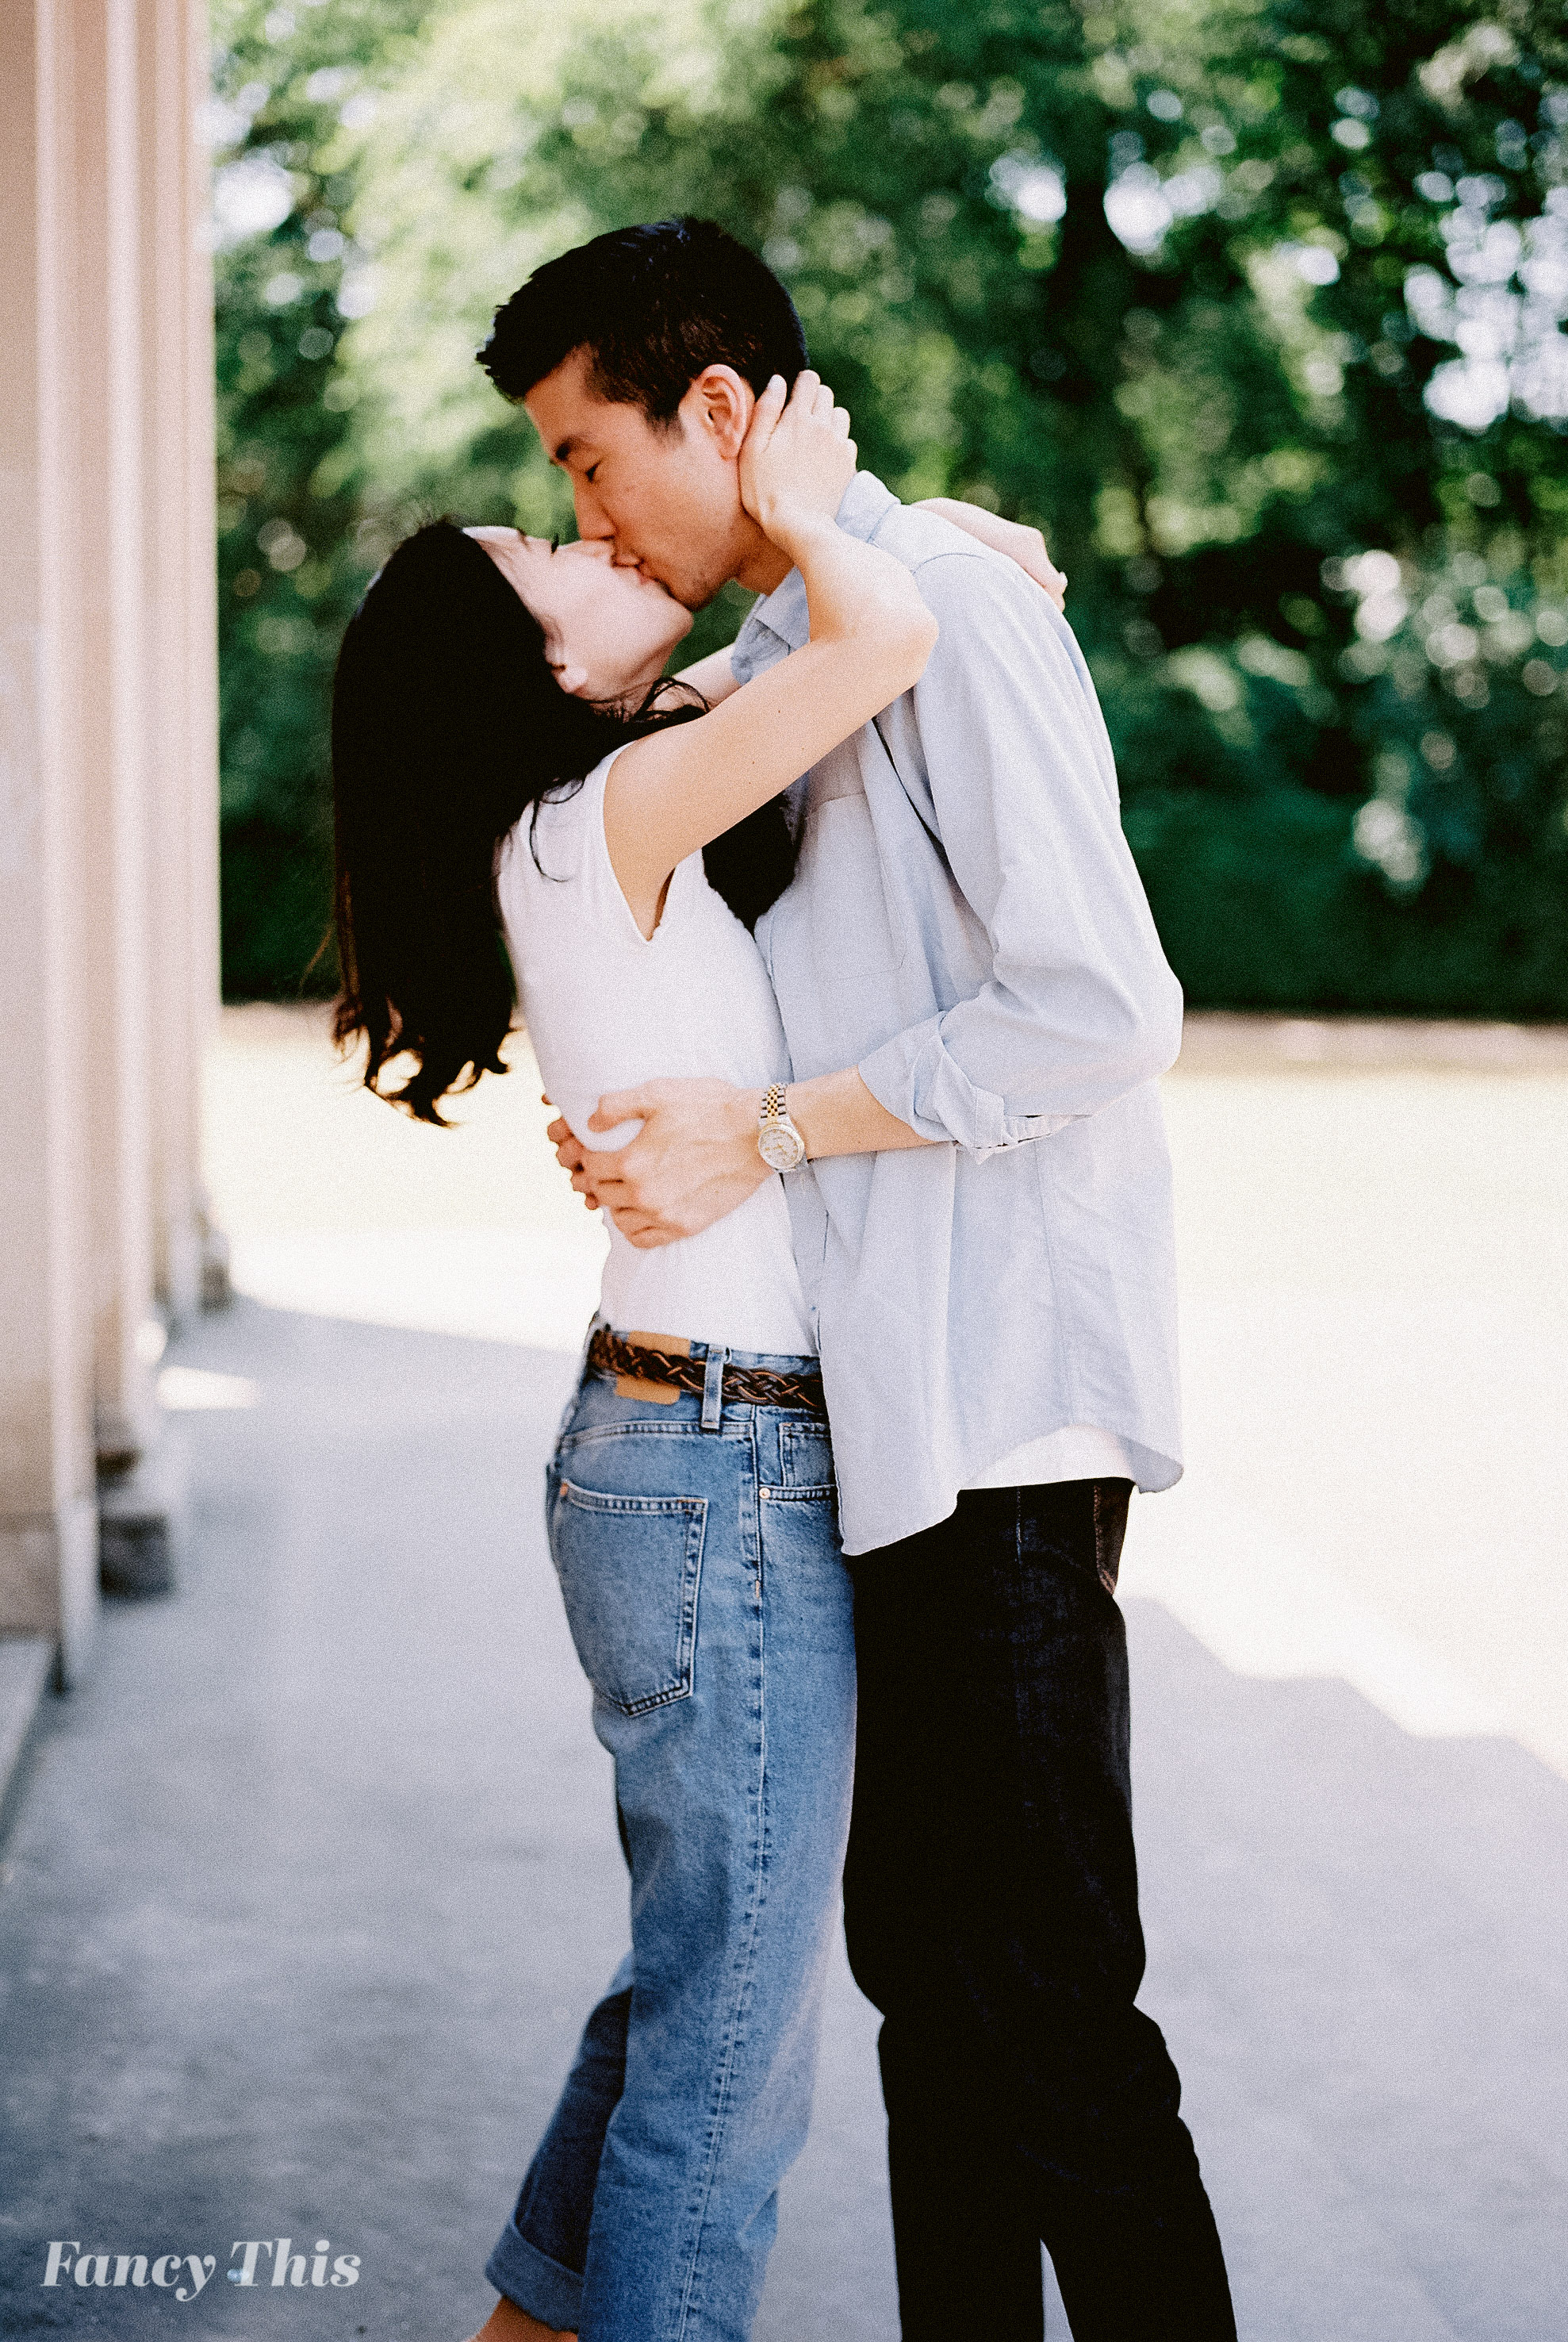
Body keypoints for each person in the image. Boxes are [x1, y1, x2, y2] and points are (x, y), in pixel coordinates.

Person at [479, 217, 1238, 2339]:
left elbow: (1100, 1006)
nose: (586, 509)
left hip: (994, 1403)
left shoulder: (956, 622)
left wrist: (777, 1128)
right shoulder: (832, 633)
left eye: (586, 454)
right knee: (931, 1991)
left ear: (712, 408)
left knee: (1049, 2011)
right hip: (879, 1418)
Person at [328, 369, 1063, 2342]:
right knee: (733, 2058)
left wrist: (935, 539)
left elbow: (868, 633)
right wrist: (829, 511)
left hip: (685, 1452)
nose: (586, 535)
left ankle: (531, 2326)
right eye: (542, 554)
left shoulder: (602, 807)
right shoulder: (607, 812)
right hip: (719, 1468)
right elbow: (880, 638)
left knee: (697, 1974)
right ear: (532, 666)